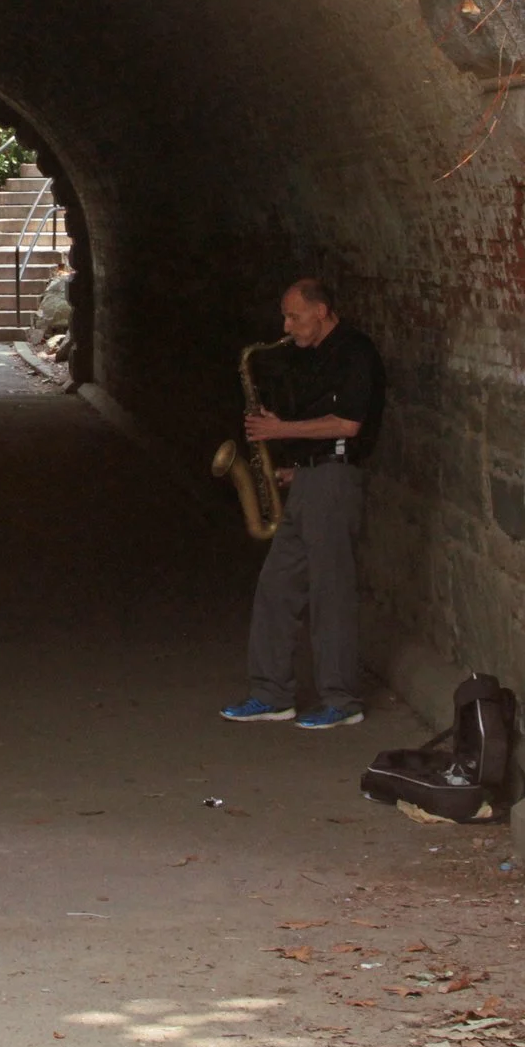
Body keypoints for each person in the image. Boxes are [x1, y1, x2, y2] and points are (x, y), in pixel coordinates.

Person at [220, 278, 386, 731]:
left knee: (331, 591)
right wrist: (298, 468)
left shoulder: (355, 353)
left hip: (334, 482)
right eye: (286, 317)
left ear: (322, 311)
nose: (287, 326)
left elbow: (348, 425)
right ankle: (271, 693)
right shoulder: (313, 356)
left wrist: (279, 431)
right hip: (313, 479)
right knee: (276, 585)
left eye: (294, 316)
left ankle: (341, 700)